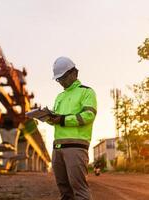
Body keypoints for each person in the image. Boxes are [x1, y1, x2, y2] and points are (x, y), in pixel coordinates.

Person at [46, 57, 97, 200]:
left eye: (62, 78)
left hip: (76, 147)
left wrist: (62, 119)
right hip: (57, 148)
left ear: (74, 73)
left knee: (79, 189)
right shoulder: (60, 97)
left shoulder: (86, 92)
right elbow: (58, 120)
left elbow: (88, 115)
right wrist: (49, 118)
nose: (61, 82)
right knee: (64, 191)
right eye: (58, 79)